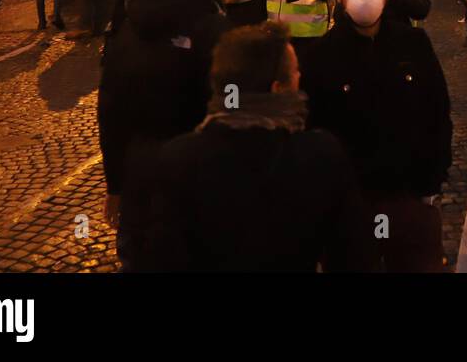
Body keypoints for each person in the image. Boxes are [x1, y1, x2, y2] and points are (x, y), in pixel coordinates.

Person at [118, 22, 370, 271]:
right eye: (295, 72)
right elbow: (352, 254)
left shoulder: (179, 160)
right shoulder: (319, 155)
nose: (300, 77)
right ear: (278, 89)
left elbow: (162, 257)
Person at [300, 0, 452, 272]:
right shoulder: (320, 56)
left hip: (409, 198)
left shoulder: (413, 43)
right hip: (349, 206)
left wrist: (432, 182)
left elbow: (437, 111)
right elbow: (312, 131)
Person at [99, 0, 230, 253]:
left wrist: (114, 184)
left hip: (137, 167)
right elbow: (228, 104)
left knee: (138, 251)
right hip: (194, 168)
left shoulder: (131, 14)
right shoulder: (211, 24)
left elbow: (109, 107)